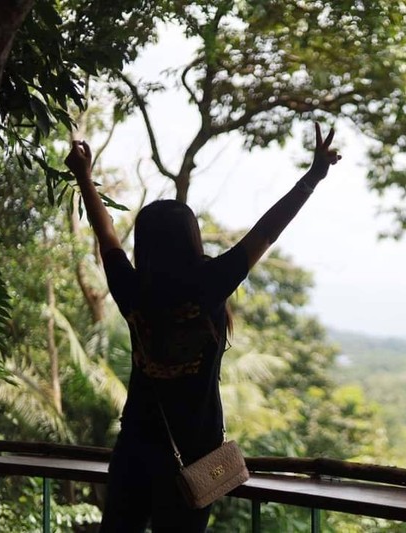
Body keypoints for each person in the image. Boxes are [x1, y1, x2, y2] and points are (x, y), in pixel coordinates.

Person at [64, 123, 341, 532]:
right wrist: (313, 176)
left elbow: (106, 235)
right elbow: (267, 231)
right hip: (196, 458)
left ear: (144, 244)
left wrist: (84, 177)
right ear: (192, 239)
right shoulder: (210, 284)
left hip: (134, 451)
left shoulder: (131, 288)